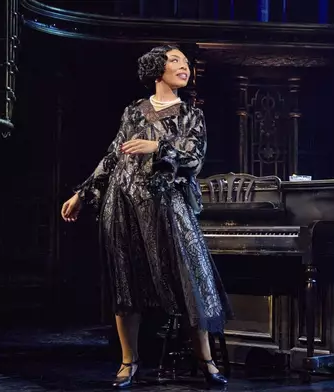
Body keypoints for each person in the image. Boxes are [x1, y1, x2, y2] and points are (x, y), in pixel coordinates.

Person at [60, 44, 232, 388]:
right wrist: (82, 193)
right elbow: (112, 156)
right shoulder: (133, 112)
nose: (184, 66)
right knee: (126, 283)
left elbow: (194, 158)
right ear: (157, 70)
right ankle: (129, 361)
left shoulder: (190, 114)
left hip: (169, 204)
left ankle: (206, 360)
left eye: (186, 62)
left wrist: (158, 147)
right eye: (175, 60)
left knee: (191, 280)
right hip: (124, 201)